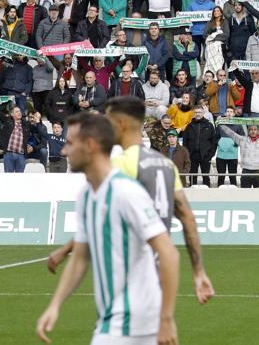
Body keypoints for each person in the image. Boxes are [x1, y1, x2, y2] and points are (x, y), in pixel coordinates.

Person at [46, 96, 216, 305]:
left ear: (121, 124)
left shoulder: (119, 165)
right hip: (158, 275)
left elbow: (98, 217)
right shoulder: (165, 164)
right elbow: (187, 219)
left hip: (130, 277)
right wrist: (198, 271)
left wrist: (65, 250)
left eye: (108, 121)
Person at [36, 113, 180, 345]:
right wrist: (55, 305)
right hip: (115, 316)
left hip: (132, 318)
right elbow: (81, 257)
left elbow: (169, 253)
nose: (64, 151)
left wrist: (166, 318)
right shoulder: (86, 194)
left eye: (70, 143)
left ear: (91, 145)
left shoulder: (126, 192)